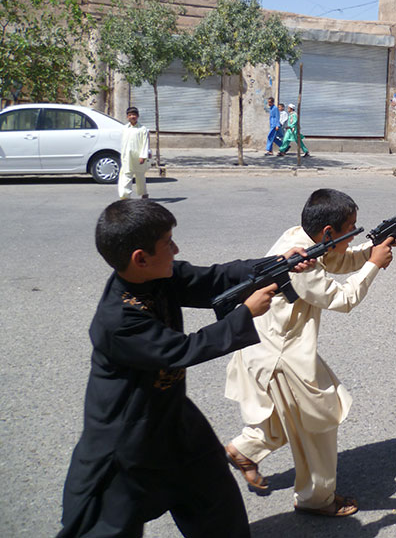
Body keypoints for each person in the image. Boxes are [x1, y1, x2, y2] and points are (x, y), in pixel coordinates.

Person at [56, 199, 313, 537]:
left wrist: (275, 263)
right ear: (140, 258)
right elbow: (183, 349)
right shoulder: (117, 320)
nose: (176, 249)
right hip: (128, 436)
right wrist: (245, 314)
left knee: (218, 509)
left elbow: (214, 279)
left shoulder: (158, 276)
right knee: (108, 527)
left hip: (175, 419)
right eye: (168, 243)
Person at [224, 189, 396, 517]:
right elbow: (342, 299)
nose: (354, 232)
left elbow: (338, 258)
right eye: (350, 227)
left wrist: (377, 246)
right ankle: (317, 499)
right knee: (320, 424)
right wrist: (374, 265)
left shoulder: (298, 237)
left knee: (282, 416)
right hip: (281, 355)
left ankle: (244, 450)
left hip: (264, 346)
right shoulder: (299, 264)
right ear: (327, 232)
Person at [118, 106, 150, 199]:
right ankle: (125, 196)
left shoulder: (142, 129)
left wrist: (143, 156)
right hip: (127, 156)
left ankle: (143, 193)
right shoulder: (124, 128)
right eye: (130, 115)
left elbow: (145, 143)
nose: (132, 117)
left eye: (134, 115)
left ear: (138, 116)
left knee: (140, 176)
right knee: (126, 175)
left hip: (138, 156)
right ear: (127, 117)